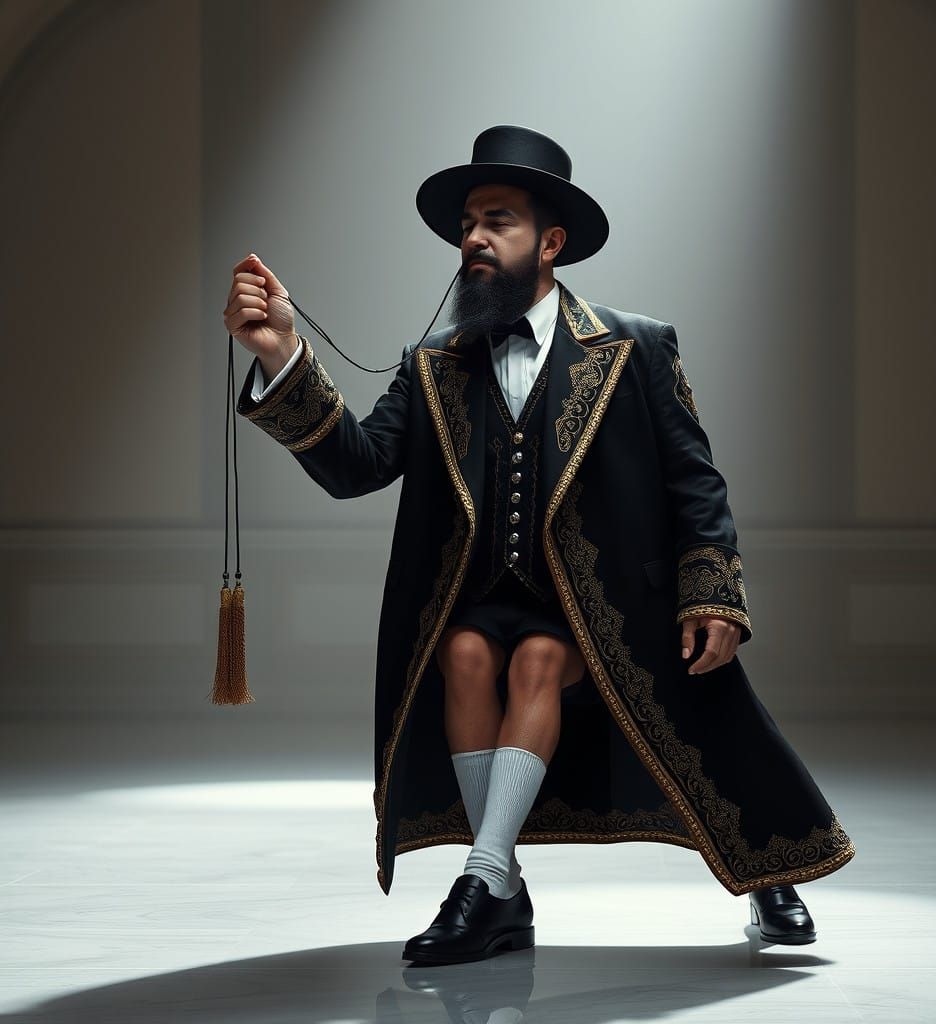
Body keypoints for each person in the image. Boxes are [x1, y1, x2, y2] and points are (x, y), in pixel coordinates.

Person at [224, 125, 855, 965]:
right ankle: (497, 883)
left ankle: (754, 872)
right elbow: (357, 466)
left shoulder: (635, 345)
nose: (474, 238)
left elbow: (694, 480)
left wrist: (712, 592)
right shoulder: (434, 363)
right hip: (482, 598)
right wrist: (282, 355)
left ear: (550, 242)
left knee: (580, 679)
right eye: (468, 225)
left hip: (606, 604)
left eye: (498, 221)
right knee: (464, 652)